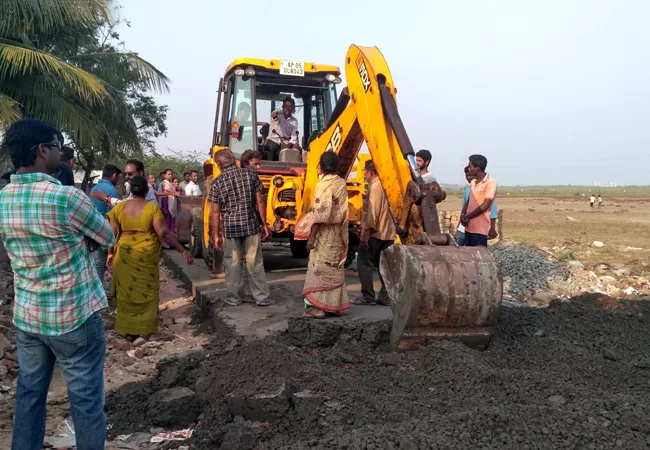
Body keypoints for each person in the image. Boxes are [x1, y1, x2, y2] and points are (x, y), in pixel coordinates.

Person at [0, 119, 115, 450]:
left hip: (29, 316)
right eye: (58, 144)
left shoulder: (3, 198)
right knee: (86, 401)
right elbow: (105, 235)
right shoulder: (66, 197)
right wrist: (82, 240)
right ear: (42, 151)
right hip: (72, 317)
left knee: (29, 396)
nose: (62, 151)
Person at [107, 176, 192, 339]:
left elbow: (111, 235)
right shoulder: (152, 209)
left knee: (126, 291)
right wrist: (183, 251)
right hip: (146, 253)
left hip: (124, 253)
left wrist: (110, 253)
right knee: (146, 290)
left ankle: (128, 330)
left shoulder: (119, 209)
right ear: (147, 191)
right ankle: (145, 330)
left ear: (130, 190)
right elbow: (164, 233)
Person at [209, 149, 274, 306]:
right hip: (251, 226)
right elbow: (260, 201)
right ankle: (261, 297)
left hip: (230, 229)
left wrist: (216, 235)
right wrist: (264, 224)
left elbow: (215, 212)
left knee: (232, 264)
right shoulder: (251, 175)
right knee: (255, 263)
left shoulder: (217, 182)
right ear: (234, 160)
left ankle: (234, 298)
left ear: (219, 165)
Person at [294, 152, 350, 318]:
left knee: (320, 267)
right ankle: (334, 305)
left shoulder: (323, 185)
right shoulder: (341, 183)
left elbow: (320, 215)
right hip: (338, 233)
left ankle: (320, 308)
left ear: (320, 166)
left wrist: (311, 237)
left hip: (325, 234)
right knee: (334, 266)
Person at [351, 160, 395, 306]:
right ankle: (385, 297)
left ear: (370, 172)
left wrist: (366, 233)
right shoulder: (387, 185)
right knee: (383, 267)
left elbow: (373, 213)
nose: (363, 174)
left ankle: (368, 296)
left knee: (364, 264)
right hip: (388, 233)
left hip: (375, 234)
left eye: (364, 171)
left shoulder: (376, 187)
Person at [90, 164, 122, 282]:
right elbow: (113, 216)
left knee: (95, 265)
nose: (118, 181)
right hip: (105, 231)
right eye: (118, 178)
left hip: (92, 231)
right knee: (103, 265)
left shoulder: (94, 188)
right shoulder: (111, 190)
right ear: (114, 176)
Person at [460, 154, 497, 247]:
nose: (468, 169)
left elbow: (486, 205)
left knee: (479, 258)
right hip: (469, 228)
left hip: (479, 230)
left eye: (470, 166)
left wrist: (468, 217)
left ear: (477, 168)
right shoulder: (473, 183)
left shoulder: (490, 183)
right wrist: (463, 214)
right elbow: (469, 200)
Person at [91, 159, 158, 206]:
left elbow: (129, 205)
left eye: (130, 174)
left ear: (140, 173)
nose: (126, 177)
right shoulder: (132, 188)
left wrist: (106, 198)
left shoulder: (145, 189)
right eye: (125, 174)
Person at [265, 97, 299, 161]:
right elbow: (274, 117)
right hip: (273, 141)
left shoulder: (294, 121)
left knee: (297, 150)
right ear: (282, 107)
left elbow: (293, 137)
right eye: (286, 106)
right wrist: (274, 115)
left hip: (286, 144)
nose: (288, 108)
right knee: (272, 148)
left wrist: (287, 147)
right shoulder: (278, 115)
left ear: (293, 108)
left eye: (290, 106)